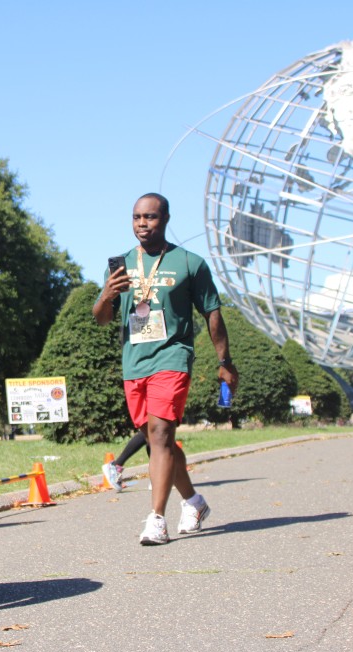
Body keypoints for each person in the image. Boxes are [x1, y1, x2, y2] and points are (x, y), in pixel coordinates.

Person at [93, 193, 239, 545]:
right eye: (137, 217)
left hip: (173, 357)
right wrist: (107, 294)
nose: (142, 223)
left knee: (159, 434)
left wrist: (224, 362)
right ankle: (194, 502)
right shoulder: (120, 266)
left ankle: (156, 519)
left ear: (166, 219)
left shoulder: (189, 263)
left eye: (151, 217)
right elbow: (102, 319)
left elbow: (212, 313)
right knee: (158, 439)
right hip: (134, 362)